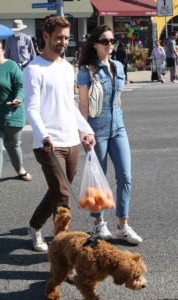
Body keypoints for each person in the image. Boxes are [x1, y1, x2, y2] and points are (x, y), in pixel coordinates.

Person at [23, 16, 95, 252]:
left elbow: (69, 105)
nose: (63, 42)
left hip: (71, 141)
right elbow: (31, 109)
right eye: (59, 38)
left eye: (66, 37)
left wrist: (85, 130)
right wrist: (44, 135)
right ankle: (65, 252)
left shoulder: (66, 67)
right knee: (63, 196)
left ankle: (34, 226)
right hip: (47, 144)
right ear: (45, 36)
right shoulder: (34, 69)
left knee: (57, 191)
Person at [77, 24, 142, 244]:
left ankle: (123, 224)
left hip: (118, 128)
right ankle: (98, 224)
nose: (110, 45)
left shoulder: (118, 66)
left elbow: (118, 98)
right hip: (97, 130)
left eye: (112, 41)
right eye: (105, 41)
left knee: (125, 176)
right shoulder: (87, 70)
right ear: (95, 44)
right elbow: (83, 105)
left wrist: (119, 118)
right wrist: (84, 132)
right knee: (99, 177)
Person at [0, 39, 31, 196]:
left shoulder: (11, 66)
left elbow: (21, 87)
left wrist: (18, 99)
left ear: (3, 50)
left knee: (12, 145)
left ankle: (20, 169)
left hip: (12, 115)